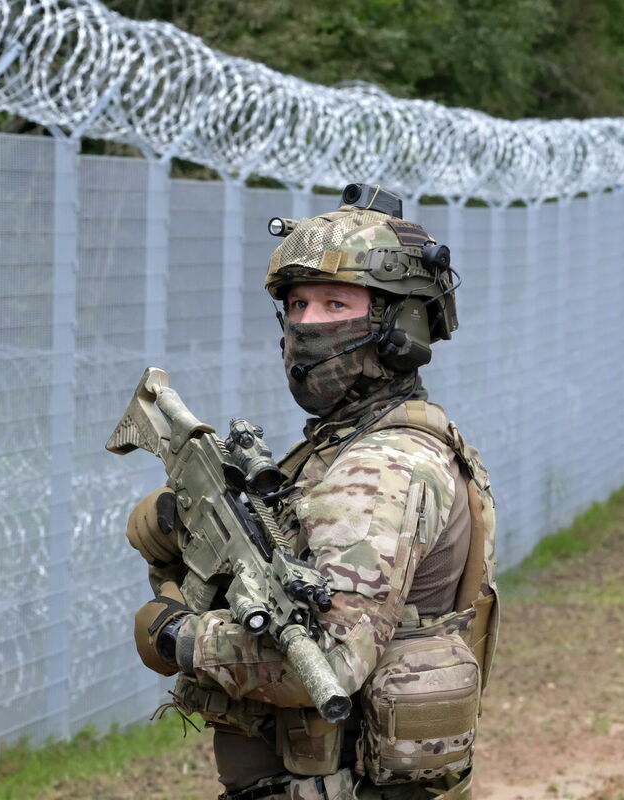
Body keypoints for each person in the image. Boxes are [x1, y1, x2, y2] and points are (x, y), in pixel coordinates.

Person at [127, 185, 499, 800]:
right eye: (296, 305)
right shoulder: (361, 444)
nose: (306, 326)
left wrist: (178, 637)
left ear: (399, 322)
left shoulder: (380, 467)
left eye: (334, 303)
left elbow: (328, 662)